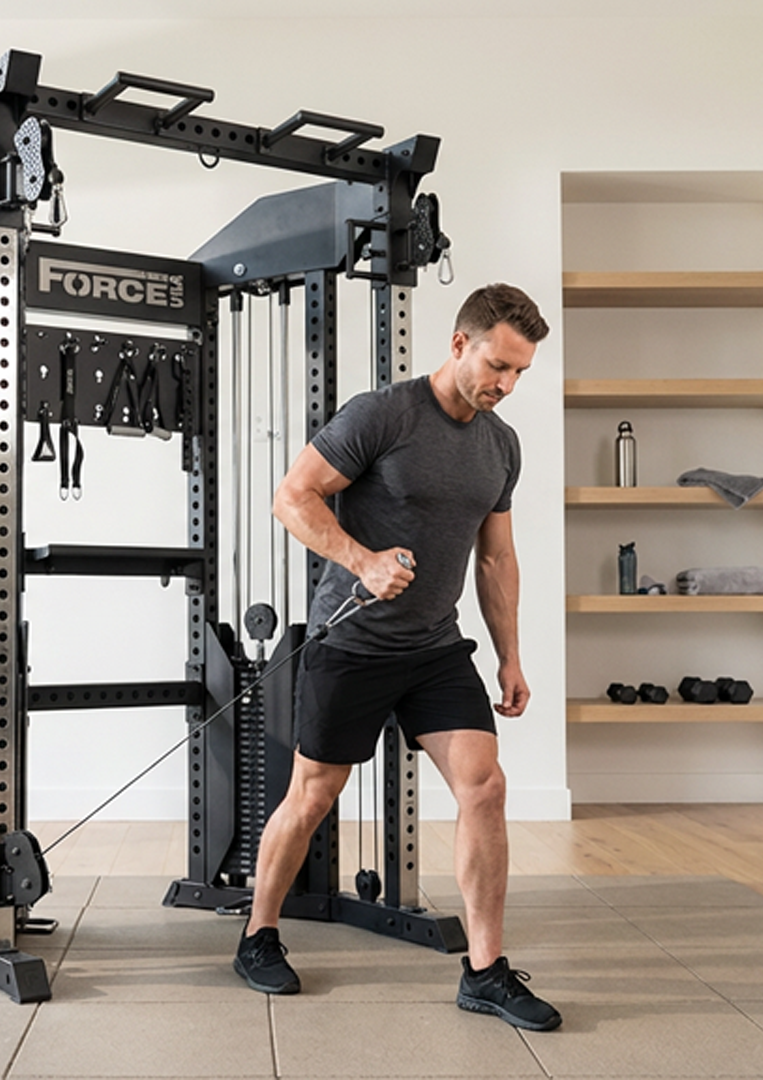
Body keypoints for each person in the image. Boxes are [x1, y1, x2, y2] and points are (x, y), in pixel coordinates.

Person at [230, 282, 561, 1032]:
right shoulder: (383, 414)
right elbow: (293, 496)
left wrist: (511, 658)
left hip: (435, 647)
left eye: (519, 375)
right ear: (458, 344)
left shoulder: (500, 445)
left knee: (485, 787)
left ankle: (485, 971)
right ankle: (258, 936)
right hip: (352, 641)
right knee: (313, 796)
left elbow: (497, 559)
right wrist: (361, 559)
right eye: (498, 366)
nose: (505, 387)